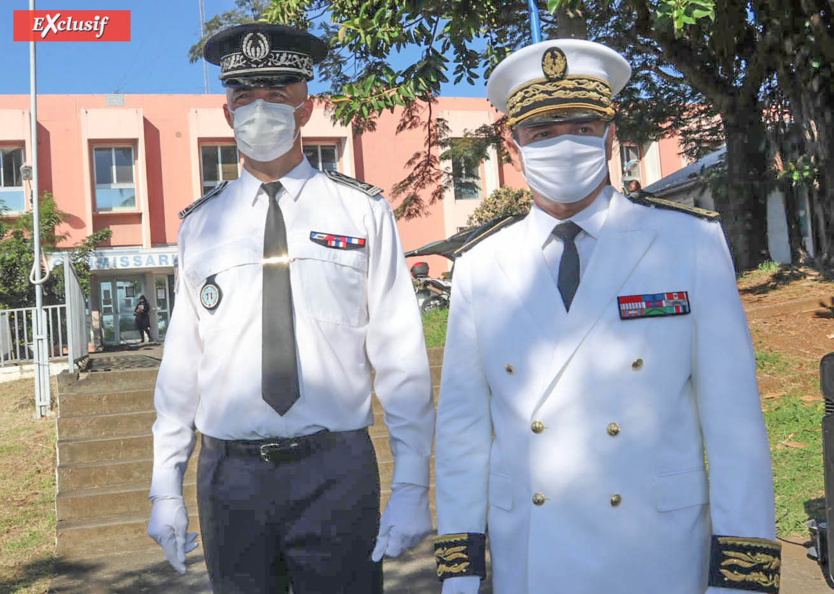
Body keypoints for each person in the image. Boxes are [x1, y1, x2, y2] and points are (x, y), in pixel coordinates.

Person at [433, 39, 779, 594]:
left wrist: (743, 575)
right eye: (542, 133)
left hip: (657, 557)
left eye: (581, 126)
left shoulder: (687, 242)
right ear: (512, 143)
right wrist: (461, 569)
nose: (563, 144)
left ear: (611, 134)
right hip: (531, 559)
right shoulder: (480, 265)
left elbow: (734, 422)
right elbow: (462, 434)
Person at [147, 23, 435, 594]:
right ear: (226, 113)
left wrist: (410, 488)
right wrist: (164, 487)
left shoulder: (362, 213)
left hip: (335, 471)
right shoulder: (199, 226)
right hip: (229, 479)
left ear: (305, 107)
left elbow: (401, 358)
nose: (260, 110)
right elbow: (181, 367)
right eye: (244, 97)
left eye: (276, 95)